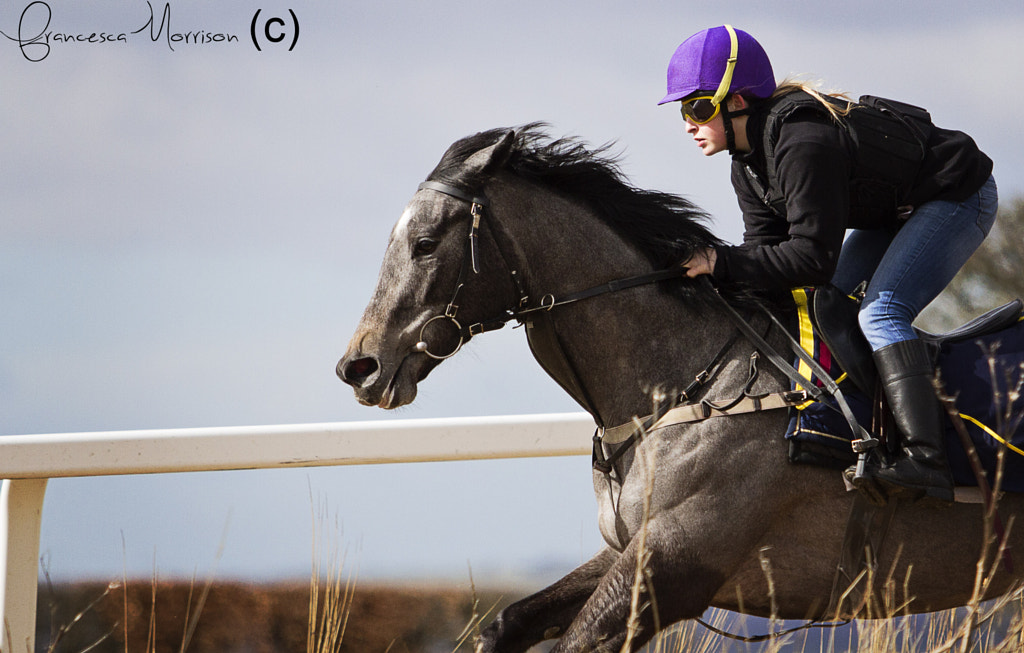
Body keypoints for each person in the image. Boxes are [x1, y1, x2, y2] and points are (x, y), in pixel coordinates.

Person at [659, 25, 998, 506]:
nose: (688, 124)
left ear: (737, 101)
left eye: (697, 107)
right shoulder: (747, 166)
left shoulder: (802, 142)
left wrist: (719, 261)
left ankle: (928, 460)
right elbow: (769, 261)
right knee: (829, 306)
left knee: (879, 313)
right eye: (683, 110)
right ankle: (881, 430)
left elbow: (812, 259)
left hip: (957, 197)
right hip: (898, 207)